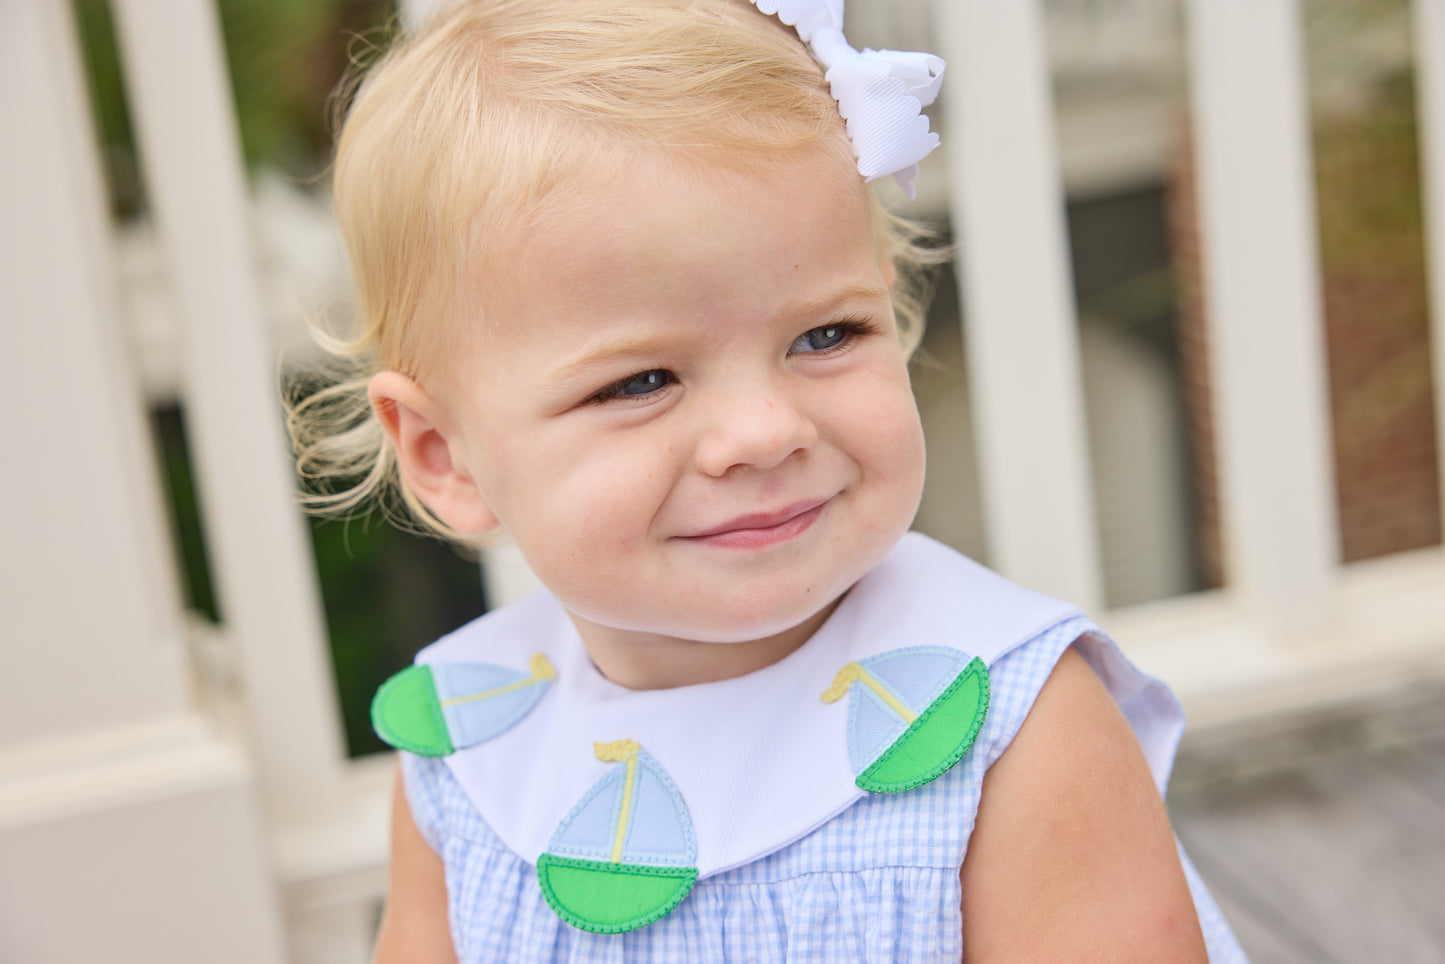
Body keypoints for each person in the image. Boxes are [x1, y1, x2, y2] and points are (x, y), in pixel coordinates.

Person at [289, 0, 1248, 960]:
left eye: (825, 335)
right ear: (445, 459)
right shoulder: (475, 752)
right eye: (641, 381)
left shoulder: (1007, 727)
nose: (762, 432)